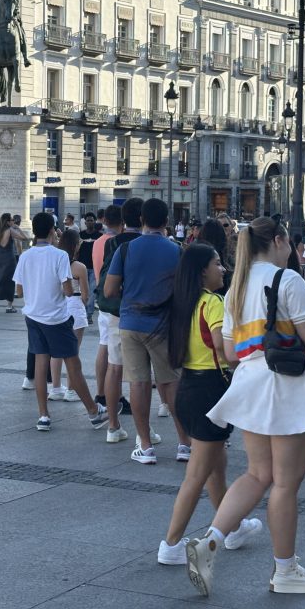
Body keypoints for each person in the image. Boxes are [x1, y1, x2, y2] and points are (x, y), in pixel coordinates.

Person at [185, 217, 305, 597]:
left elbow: (230, 352)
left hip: (249, 382)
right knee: (284, 483)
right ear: (280, 240)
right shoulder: (289, 280)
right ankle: (286, 570)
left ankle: (210, 542)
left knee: (256, 474)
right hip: (285, 386)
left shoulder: (236, 285)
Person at [157, 243, 263, 566]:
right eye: (218, 263)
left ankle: (232, 527)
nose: (224, 268)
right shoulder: (213, 302)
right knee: (197, 474)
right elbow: (221, 344)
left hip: (189, 387)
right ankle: (171, 543)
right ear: (203, 270)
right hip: (209, 390)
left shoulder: (184, 303)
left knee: (217, 465)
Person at [105, 198, 189, 464]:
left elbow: (108, 290)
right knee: (171, 382)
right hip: (164, 325)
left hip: (131, 323)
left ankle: (145, 445)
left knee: (138, 383)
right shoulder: (177, 250)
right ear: (166, 222)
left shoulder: (126, 250)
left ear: (141, 220)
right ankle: (184, 444)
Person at [13, 211, 107, 432]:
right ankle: (93, 412)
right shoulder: (59, 256)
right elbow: (67, 290)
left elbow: (18, 291)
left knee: (40, 363)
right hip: (56, 317)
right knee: (73, 364)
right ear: (51, 231)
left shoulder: (26, 256)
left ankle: (43, 416)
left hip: (33, 316)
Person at [90, 203, 134, 432]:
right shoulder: (119, 243)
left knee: (104, 347)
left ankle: (101, 393)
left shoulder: (98, 242)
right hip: (117, 302)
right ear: (122, 222)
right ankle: (113, 398)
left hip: (103, 299)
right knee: (116, 359)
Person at [48, 229, 89, 401]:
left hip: (58, 307)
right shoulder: (79, 267)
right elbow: (86, 295)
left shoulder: (54, 263)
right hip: (75, 306)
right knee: (74, 351)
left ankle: (55, 388)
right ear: (76, 245)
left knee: (56, 351)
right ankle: (71, 390)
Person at [0, 213, 26, 314]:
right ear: (8, 222)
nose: (13, 221)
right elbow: (24, 238)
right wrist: (18, 228)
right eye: (12, 220)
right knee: (10, 282)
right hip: (9, 259)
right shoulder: (10, 230)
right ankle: (9, 306)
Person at [77, 212, 102, 323]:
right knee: (82, 292)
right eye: (88, 220)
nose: (90, 222)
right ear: (85, 222)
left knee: (92, 293)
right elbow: (76, 250)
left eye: (92, 220)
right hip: (82, 268)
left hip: (94, 268)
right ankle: (82, 313)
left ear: (95, 221)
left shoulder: (99, 236)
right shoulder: (80, 235)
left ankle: (88, 315)